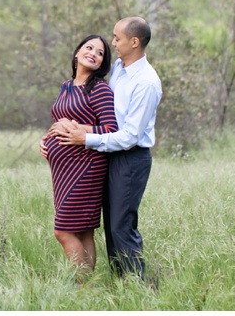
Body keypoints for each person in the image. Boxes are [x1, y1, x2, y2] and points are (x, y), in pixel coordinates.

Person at [47, 16, 162, 281]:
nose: (112, 43)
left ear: (134, 42)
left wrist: (85, 138)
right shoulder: (121, 67)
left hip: (130, 158)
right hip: (108, 154)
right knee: (109, 227)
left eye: (116, 38)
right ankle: (118, 282)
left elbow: (129, 135)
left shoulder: (146, 82)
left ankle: (136, 285)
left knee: (121, 226)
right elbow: (101, 118)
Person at [42, 34, 118, 276]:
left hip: (86, 167)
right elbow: (60, 119)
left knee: (63, 231)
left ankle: (80, 285)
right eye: (89, 48)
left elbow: (111, 130)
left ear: (102, 63)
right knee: (83, 230)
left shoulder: (99, 89)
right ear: (77, 52)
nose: (93, 54)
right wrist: (46, 139)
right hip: (62, 171)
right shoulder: (66, 86)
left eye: (100, 53)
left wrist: (80, 130)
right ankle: (89, 290)